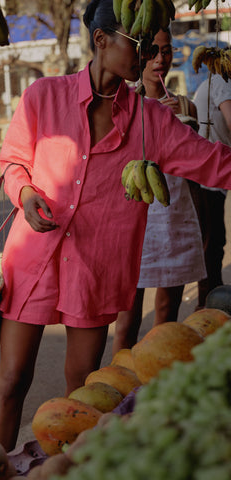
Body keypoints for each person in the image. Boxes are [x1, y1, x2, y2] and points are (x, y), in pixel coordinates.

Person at [0, 0, 231, 452]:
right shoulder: (44, 95)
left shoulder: (151, 121)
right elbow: (14, 161)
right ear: (101, 41)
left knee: (82, 395)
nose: (147, 55)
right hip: (35, 259)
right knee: (12, 381)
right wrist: (26, 193)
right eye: (138, 43)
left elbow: (216, 164)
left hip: (98, 269)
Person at [112, 28, 206, 354]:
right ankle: (118, 387)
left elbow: (196, 169)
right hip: (136, 218)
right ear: (139, 53)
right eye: (153, 51)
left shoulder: (187, 107)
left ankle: (154, 389)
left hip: (176, 214)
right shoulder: (123, 105)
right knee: (127, 322)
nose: (160, 60)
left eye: (166, 51)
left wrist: (183, 130)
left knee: (167, 318)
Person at [193, 73, 231, 309]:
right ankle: (208, 307)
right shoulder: (223, 80)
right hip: (208, 176)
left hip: (212, 175)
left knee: (213, 241)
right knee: (212, 244)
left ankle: (210, 303)